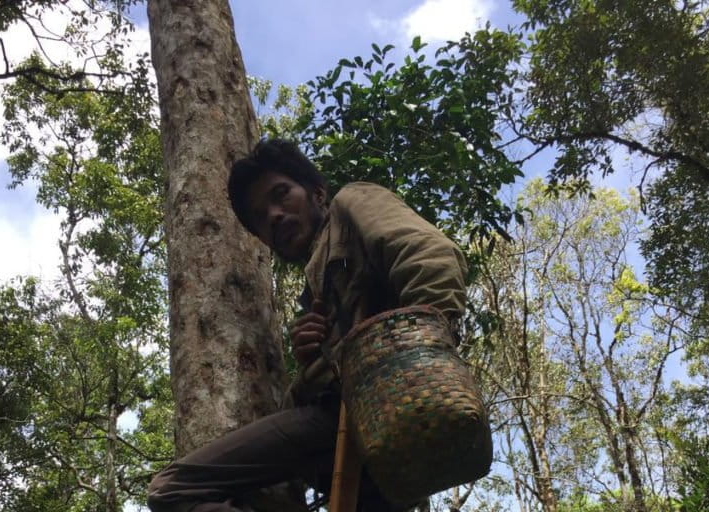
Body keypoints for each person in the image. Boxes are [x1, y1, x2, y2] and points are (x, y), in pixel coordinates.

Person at [147, 139, 492, 512]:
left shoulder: (352, 201)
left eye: (281, 195)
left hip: (378, 411)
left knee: (173, 490)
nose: (275, 216)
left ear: (316, 192)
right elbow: (315, 391)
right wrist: (311, 363)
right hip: (357, 445)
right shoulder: (312, 291)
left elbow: (431, 256)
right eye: (262, 217)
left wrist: (421, 360)